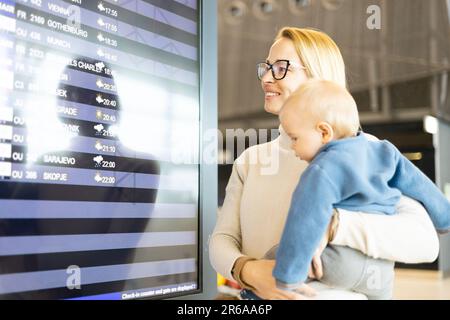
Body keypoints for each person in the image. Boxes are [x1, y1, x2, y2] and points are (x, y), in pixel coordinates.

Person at [209, 27, 440, 300]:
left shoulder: (366, 151)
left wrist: (334, 225)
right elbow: (221, 241)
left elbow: (425, 243)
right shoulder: (250, 160)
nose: (268, 78)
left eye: (282, 67)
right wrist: (249, 271)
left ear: (318, 77)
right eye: (267, 67)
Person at [272, 79, 450, 293]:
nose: (292, 147)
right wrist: (444, 219)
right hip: (383, 267)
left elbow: (304, 220)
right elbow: (421, 186)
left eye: (294, 138)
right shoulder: (383, 150)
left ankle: (248, 296)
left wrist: (286, 279)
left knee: (276, 254)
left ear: (324, 132)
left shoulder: (321, 170)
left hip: (340, 263)